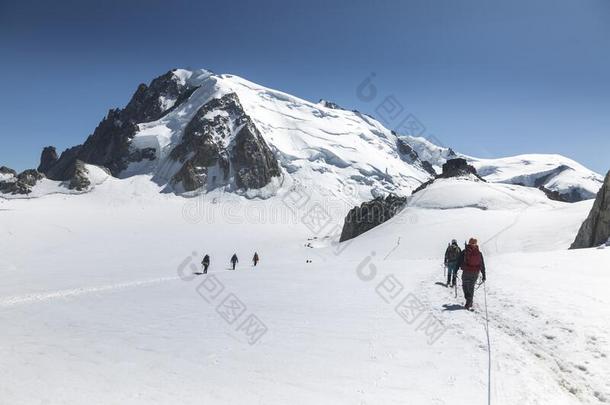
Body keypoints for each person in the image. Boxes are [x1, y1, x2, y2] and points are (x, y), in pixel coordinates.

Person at [457, 238, 486, 310]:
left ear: (469, 243)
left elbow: (458, 262)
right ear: (476, 243)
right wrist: (484, 275)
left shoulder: (465, 251)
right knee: (471, 286)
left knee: (465, 286)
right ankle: (470, 301)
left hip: (466, 271)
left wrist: (455, 270)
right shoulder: (479, 253)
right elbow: (482, 264)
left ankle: (468, 299)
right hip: (476, 272)